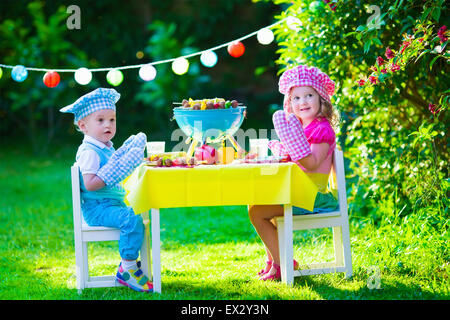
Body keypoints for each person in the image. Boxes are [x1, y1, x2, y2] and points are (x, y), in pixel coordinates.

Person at [248, 65, 339, 281]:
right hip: (299, 190)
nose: (303, 102)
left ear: (321, 99)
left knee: (257, 213)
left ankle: (283, 265)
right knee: (254, 202)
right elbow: (293, 159)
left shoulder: (321, 129)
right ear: (289, 103)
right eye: (296, 98)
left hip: (313, 196)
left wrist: (296, 148)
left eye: (309, 95)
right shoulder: (299, 126)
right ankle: (275, 261)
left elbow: (314, 163)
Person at [60, 88, 153, 293]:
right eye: (100, 120)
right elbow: (90, 184)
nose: (108, 125)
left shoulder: (105, 147)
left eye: (112, 119)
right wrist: (109, 174)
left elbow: (117, 170)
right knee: (132, 218)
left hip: (110, 205)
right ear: (83, 126)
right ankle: (127, 268)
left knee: (138, 211)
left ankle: (133, 265)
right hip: (97, 209)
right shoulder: (90, 152)